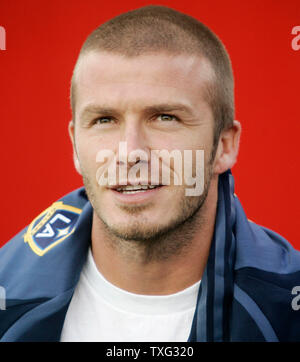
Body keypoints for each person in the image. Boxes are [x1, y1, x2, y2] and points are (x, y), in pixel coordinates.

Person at [0, 5, 299, 342]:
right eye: (104, 120)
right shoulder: (7, 296)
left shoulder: (287, 308)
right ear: (74, 145)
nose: (130, 153)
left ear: (224, 146)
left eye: (165, 117)